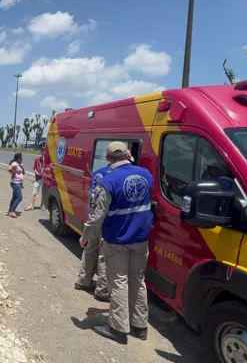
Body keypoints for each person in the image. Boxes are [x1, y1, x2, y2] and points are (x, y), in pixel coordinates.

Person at [83, 141, 154, 344]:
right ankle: (140, 326)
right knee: (138, 280)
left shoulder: (108, 180)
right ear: (128, 154)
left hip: (117, 239)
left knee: (119, 282)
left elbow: (97, 215)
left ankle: (118, 328)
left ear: (107, 159)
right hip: (140, 238)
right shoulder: (145, 175)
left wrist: (86, 235)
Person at [74, 162, 112, 302]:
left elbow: (92, 195)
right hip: (104, 220)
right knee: (104, 256)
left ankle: (83, 280)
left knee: (90, 250)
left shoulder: (98, 172)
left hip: (92, 216)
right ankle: (102, 291)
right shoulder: (114, 176)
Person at [7, 152, 25, 218]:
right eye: (21, 158)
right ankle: (12, 211)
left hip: (19, 183)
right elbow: (9, 169)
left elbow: (23, 173)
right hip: (15, 182)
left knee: (14, 198)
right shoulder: (14, 163)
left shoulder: (19, 164)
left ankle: (10, 210)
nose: (22, 159)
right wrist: (13, 174)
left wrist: (22, 167)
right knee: (20, 197)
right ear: (18, 158)